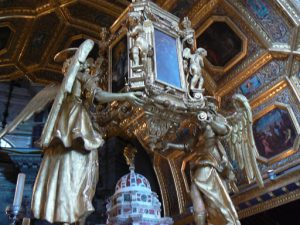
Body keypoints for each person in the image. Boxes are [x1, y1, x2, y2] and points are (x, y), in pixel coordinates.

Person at [31, 39, 144, 225]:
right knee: (81, 175)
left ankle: (66, 214)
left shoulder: (65, 91)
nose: (90, 67)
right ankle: (73, 214)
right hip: (77, 124)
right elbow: (99, 96)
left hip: (66, 125)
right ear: (80, 62)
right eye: (87, 63)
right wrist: (125, 96)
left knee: (65, 175)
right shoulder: (81, 77)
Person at [162, 100, 240, 225]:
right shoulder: (199, 129)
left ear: (212, 109)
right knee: (196, 191)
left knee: (200, 190)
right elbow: (188, 146)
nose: (204, 109)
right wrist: (169, 144)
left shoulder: (216, 120)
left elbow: (225, 130)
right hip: (200, 162)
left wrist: (209, 120)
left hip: (211, 163)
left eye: (208, 107)